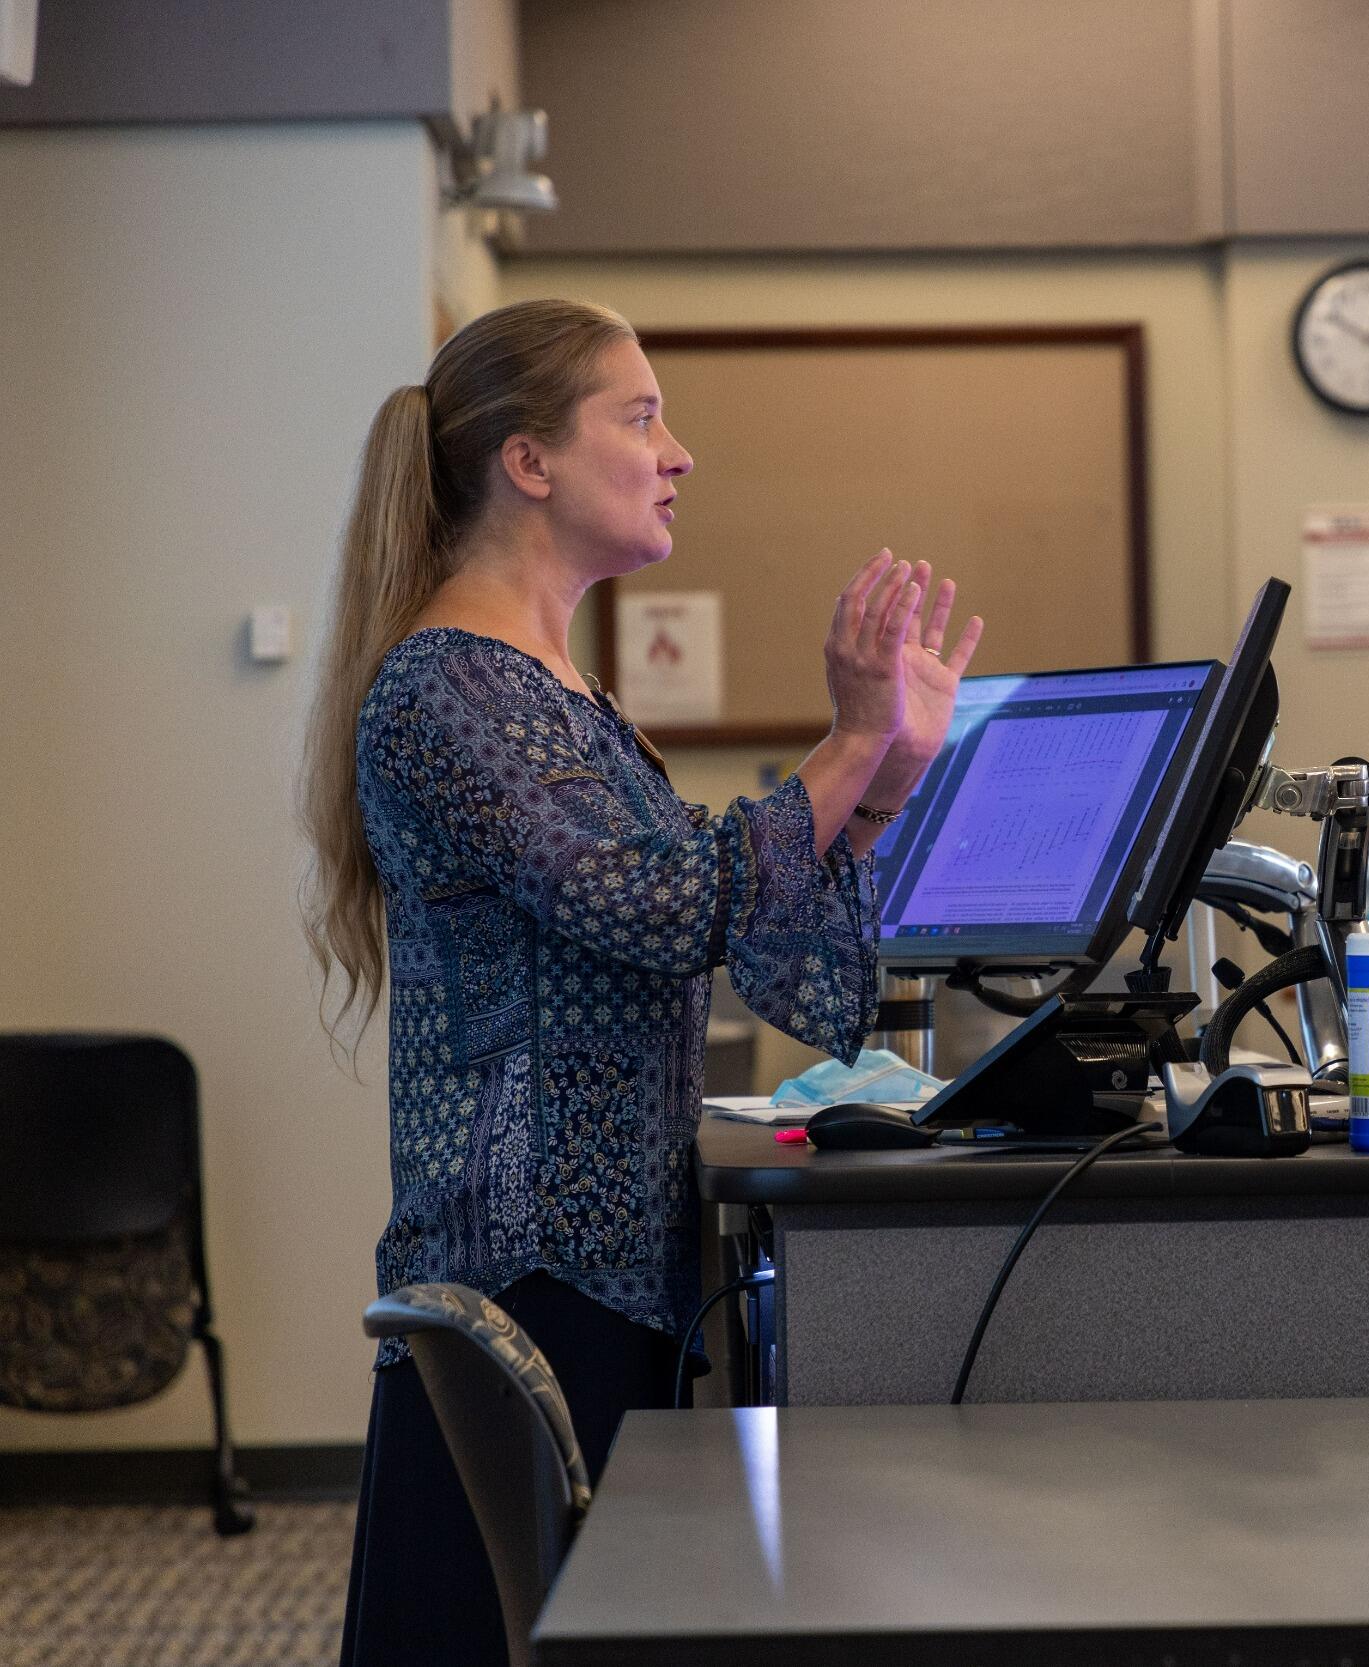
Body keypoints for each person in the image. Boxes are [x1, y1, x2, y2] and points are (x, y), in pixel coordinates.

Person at [301, 299, 983, 1667]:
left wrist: (879, 785)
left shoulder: (560, 694)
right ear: (529, 459)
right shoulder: (448, 689)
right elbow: (663, 902)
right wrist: (848, 746)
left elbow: (776, 953)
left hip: (605, 1277)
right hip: (528, 1282)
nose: (680, 451)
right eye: (642, 414)